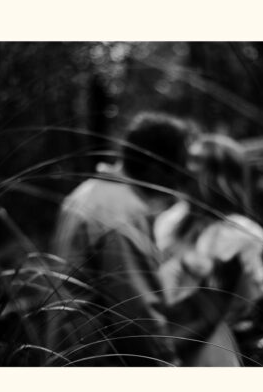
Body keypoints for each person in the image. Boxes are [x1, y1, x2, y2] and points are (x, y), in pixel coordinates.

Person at [48, 112, 195, 365]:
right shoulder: (122, 213)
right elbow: (137, 321)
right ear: (155, 167)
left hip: (68, 354)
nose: (176, 186)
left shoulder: (85, 193)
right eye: (176, 173)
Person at [152, 133, 263, 366]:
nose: (186, 167)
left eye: (197, 161)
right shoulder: (168, 220)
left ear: (220, 174)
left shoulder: (240, 233)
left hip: (207, 344)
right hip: (161, 335)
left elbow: (244, 303)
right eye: (187, 158)